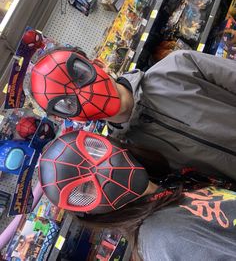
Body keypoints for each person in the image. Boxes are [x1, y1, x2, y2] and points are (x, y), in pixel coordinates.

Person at [30, 47, 236, 180]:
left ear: (98, 64)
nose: (83, 95)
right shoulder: (131, 156)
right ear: (71, 119)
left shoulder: (178, 66)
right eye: (67, 104)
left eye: (81, 75)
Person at [39, 130, 236, 261]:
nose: (101, 170)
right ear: (89, 211)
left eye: (94, 151)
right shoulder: (164, 237)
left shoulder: (168, 185)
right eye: (84, 189)